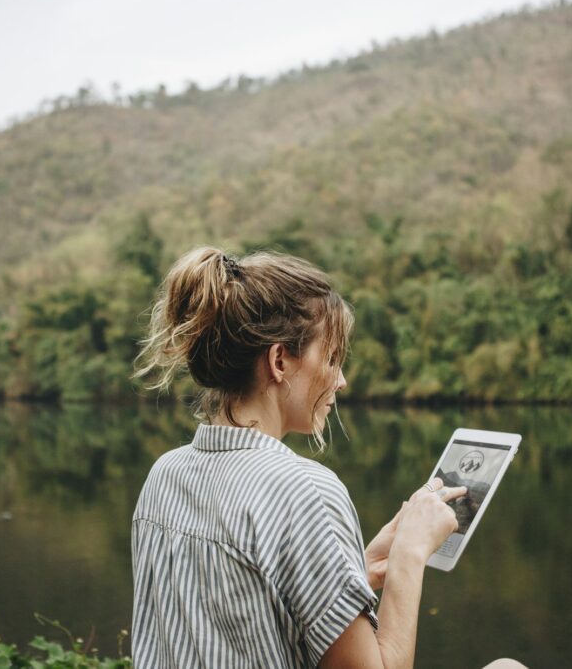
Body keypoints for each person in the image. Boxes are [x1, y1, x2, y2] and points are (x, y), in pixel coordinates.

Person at [131, 247, 525, 669]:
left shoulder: (164, 474)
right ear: (279, 360)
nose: (341, 380)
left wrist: (357, 569)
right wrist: (411, 553)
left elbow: (238, 617)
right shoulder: (305, 490)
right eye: (332, 358)